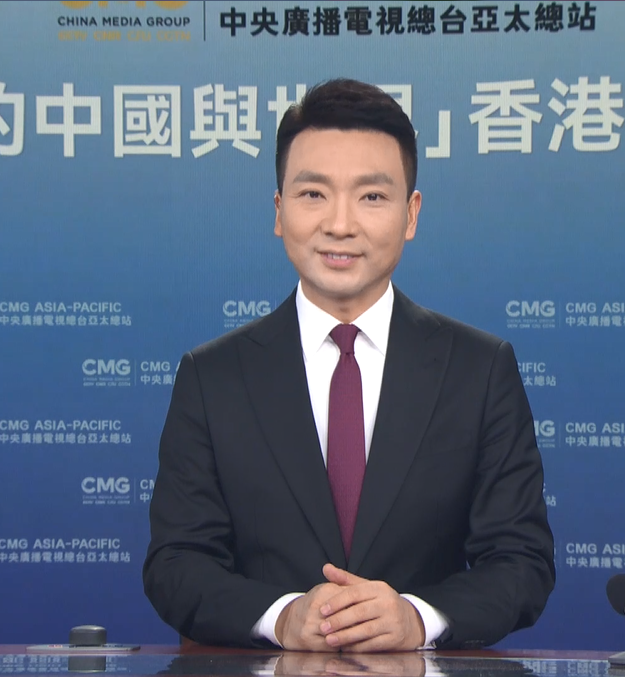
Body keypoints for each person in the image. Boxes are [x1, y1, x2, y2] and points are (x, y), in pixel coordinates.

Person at [143, 78, 555, 652]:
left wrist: (416, 618)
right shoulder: (212, 377)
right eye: (314, 194)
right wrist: (283, 617)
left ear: (411, 214)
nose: (339, 224)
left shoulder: (479, 371)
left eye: (372, 197)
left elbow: (521, 562)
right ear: (279, 211)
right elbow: (176, 563)